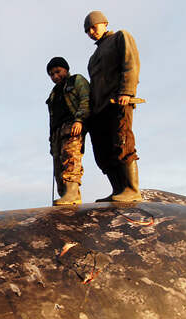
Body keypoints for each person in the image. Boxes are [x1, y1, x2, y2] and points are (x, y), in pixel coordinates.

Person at [84, 10, 143, 202]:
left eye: (94, 26)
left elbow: (130, 63)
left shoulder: (120, 37)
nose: (92, 31)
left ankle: (132, 190)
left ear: (104, 23)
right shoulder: (92, 58)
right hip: (99, 109)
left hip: (118, 101)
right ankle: (118, 190)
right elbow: (93, 86)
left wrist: (127, 91)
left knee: (122, 142)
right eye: (88, 30)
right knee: (102, 151)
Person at [45, 57, 90, 205]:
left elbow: (85, 99)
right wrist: (51, 139)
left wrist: (80, 120)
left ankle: (72, 194)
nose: (55, 76)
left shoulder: (76, 81)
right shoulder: (53, 94)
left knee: (71, 159)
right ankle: (66, 196)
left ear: (66, 69)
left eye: (58, 71)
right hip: (57, 132)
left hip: (71, 125)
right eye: (51, 74)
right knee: (58, 167)